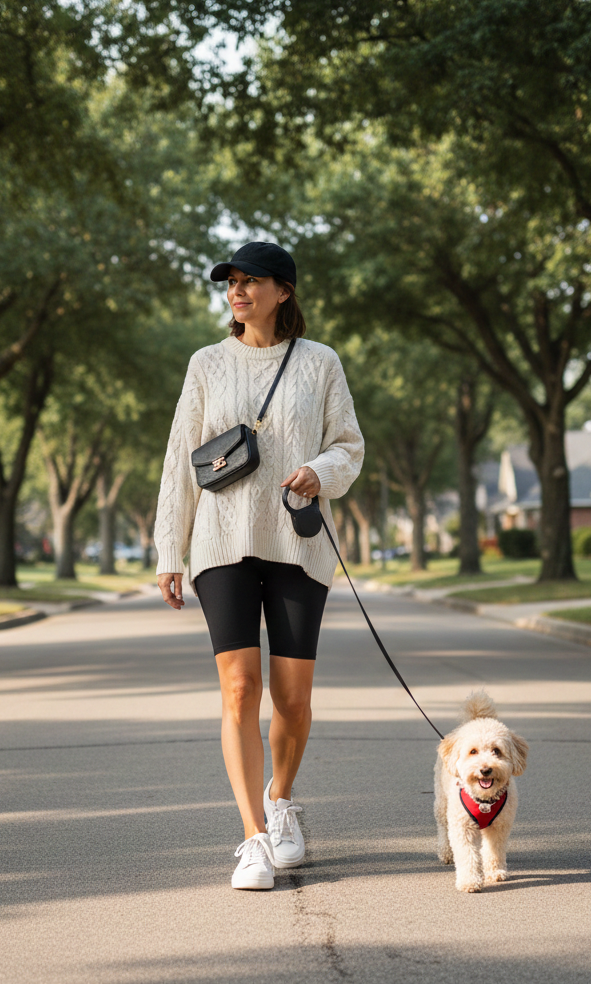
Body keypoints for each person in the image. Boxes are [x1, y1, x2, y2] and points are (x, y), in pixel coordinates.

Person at [154, 241, 364, 890]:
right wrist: (170, 550)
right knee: (241, 688)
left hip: (299, 543)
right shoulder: (205, 365)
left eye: (252, 281)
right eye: (232, 282)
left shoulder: (321, 362)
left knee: (293, 700)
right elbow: (179, 459)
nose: (238, 291)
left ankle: (281, 800)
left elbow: (349, 446)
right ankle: (252, 839)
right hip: (221, 546)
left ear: (284, 292)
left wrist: (319, 471)